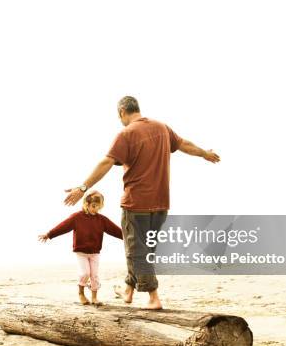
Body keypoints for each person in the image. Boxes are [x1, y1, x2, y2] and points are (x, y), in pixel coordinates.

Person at [63, 96, 220, 309]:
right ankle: (129, 290)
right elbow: (184, 144)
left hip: (136, 204)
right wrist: (205, 154)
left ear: (121, 112)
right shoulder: (162, 127)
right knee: (145, 249)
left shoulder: (126, 133)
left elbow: (106, 162)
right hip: (161, 203)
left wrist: (83, 188)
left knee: (136, 251)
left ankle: (153, 297)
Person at [39, 191, 123, 306]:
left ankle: (94, 297)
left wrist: (129, 238)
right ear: (86, 204)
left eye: (99, 207)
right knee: (85, 273)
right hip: (81, 252)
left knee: (94, 275)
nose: (96, 209)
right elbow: (63, 226)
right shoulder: (77, 217)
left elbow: (116, 230)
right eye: (94, 206)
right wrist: (49, 234)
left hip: (95, 253)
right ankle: (81, 293)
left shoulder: (102, 220)